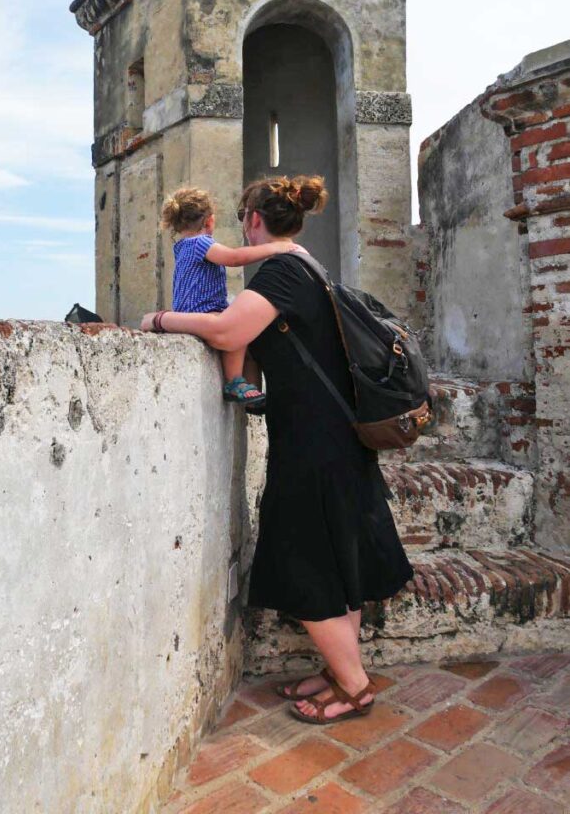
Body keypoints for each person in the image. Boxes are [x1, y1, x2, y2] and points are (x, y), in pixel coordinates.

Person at [142, 175, 414, 724]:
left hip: (316, 444)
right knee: (341, 559)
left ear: (254, 222)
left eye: (246, 217)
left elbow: (225, 331)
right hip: (334, 439)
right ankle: (340, 669)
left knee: (304, 560)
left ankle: (355, 686)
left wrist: (158, 320)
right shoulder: (306, 266)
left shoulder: (284, 272)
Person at [160, 186, 296, 406]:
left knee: (249, 343)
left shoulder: (181, 246)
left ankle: (251, 392)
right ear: (210, 221)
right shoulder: (200, 243)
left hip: (188, 311)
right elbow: (233, 258)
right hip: (205, 310)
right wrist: (277, 248)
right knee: (239, 334)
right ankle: (234, 382)